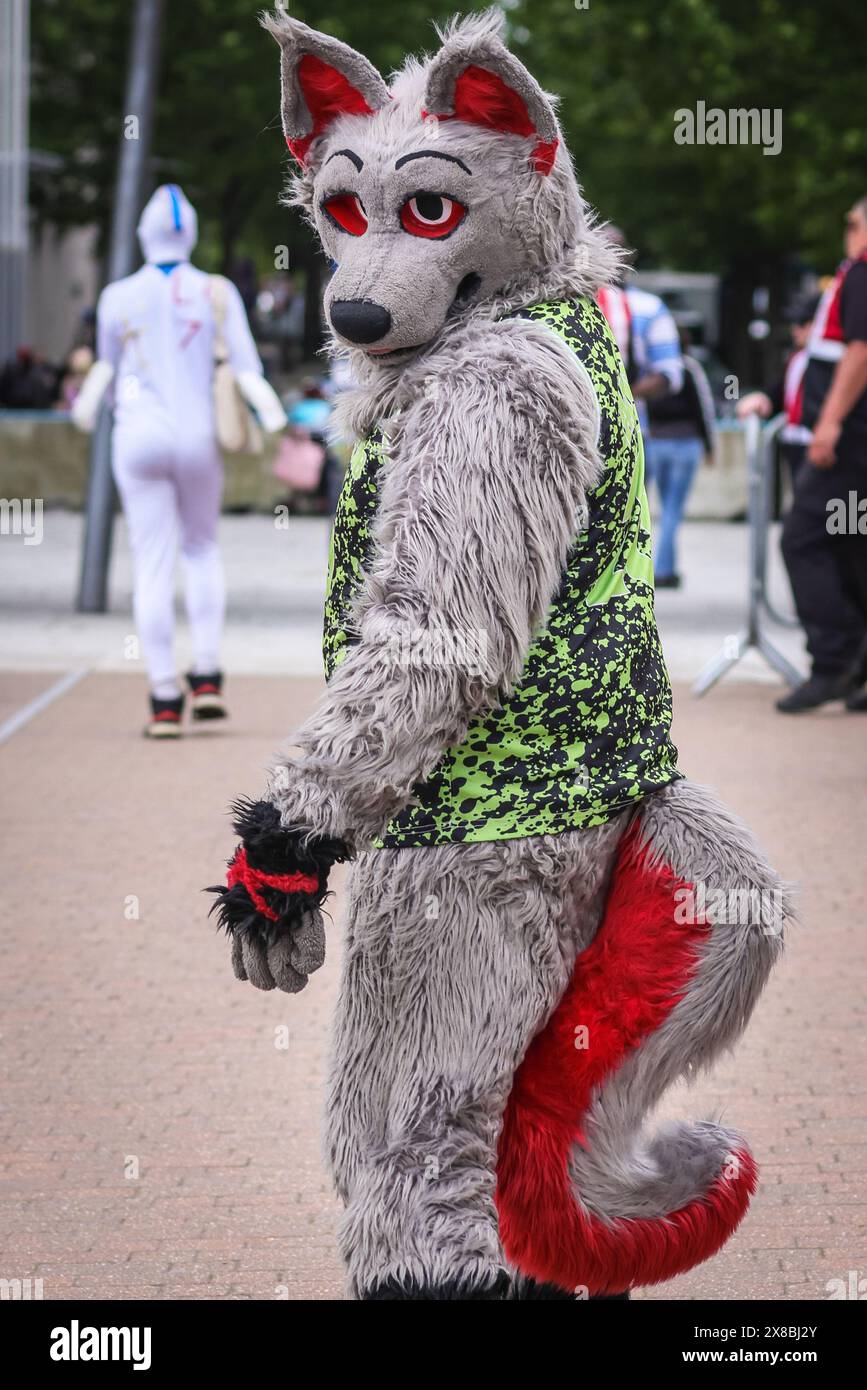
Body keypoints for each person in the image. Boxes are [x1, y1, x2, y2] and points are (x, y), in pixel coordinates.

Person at [210, 9, 784, 1302]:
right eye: (345, 213)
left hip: (480, 832)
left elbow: (434, 643)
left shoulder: (488, 381)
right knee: (495, 1135)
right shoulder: (570, 327)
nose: (363, 273)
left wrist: (292, 829)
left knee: (409, 1157)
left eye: (424, 213)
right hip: (575, 805)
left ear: (524, 161)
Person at [72, 184, 286, 737]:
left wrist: (87, 410)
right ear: (189, 235)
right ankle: (208, 673)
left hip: (137, 438)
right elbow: (245, 368)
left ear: (144, 234)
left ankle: (165, 698)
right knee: (201, 548)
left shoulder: (118, 295)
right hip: (198, 438)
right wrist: (271, 413)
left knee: (152, 563)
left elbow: (105, 367)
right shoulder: (214, 291)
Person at [776, 197, 867, 713]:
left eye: (853, 222)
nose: (847, 231)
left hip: (850, 440)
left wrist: (829, 423)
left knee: (802, 539)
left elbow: (860, 350)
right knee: (852, 545)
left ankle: (833, 661)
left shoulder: (861, 273)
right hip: (855, 439)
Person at [645, 326, 716, 587]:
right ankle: (664, 571)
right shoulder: (689, 369)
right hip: (685, 444)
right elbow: (703, 408)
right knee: (672, 510)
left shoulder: (652, 371)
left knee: (651, 510)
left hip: (655, 444)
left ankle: (656, 567)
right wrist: (710, 446)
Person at [737, 292, 820, 489]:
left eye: (802, 323)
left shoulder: (833, 360)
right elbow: (781, 390)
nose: (795, 330)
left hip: (819, 440)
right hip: (794, 440)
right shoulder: (797, 357)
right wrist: (763, 397)